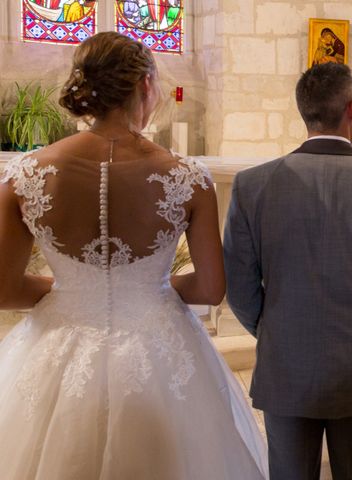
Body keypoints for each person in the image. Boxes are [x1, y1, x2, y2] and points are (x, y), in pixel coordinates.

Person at [0, 32, 268, 480]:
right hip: (159, 349)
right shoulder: (188, 178)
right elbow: (210, 288)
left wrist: (74, 290)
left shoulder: (25, 175)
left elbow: (5, 290)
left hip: (55, 344)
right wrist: (146, 288)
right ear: (146, 85)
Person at [223, 63, 352, 480]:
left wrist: (279, 329)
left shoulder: (252, 185)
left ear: (304, 112)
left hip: (286, 364)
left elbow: (239, 288)